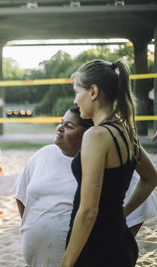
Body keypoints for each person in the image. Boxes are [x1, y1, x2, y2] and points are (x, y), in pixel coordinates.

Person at [12, 106, 157, 267]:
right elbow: (21, 195)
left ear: (88, 135)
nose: (59, 128)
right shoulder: (42, 155)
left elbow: (139, 212)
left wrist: (111, 242)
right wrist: (34, 228)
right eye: (61, 122)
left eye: (69, 126)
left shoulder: (112, 166)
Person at [61, 59, 157, 267]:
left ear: (93, 91)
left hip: (96, 247)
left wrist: (66, 263)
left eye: (77, 92)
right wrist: (120, 213)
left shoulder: (96, 136)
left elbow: (88, 211)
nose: (76, 100)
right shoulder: (125, 131)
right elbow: (151, 178)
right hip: (120, 240)